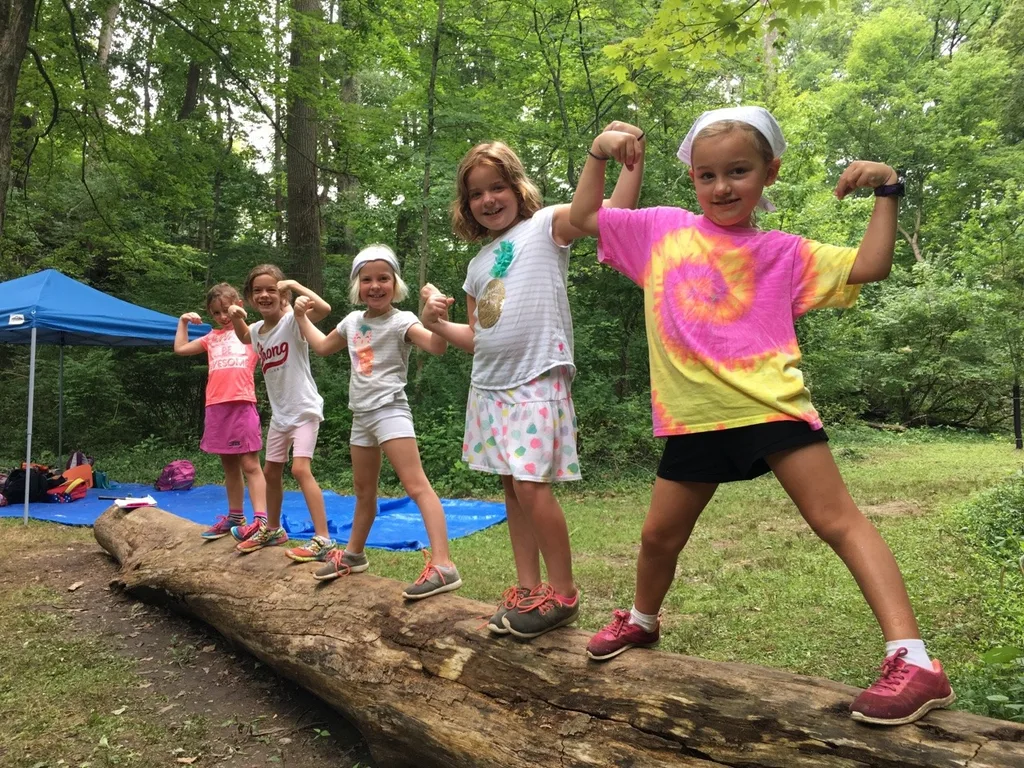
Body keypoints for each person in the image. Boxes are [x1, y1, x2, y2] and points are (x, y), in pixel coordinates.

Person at [568, 106, 954, 725]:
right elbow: (586, 218)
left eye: (739, 171)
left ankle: (916, 661)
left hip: (771, 405)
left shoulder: (783, 251)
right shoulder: (660, 231)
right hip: (693, 418)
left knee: (840, 522)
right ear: (692, 180)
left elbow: (870, 265)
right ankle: (641, 621)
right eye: (706, 175)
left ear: (768, 172)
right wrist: (599, 152)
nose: (721, 187)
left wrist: (888, 188)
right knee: (657, 537)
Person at [420, 134, 644, 638]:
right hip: (490, 386)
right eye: (477, 194)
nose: (488, 200)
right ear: (466, 205)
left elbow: (611, 214)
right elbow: (477, 337)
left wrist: (613, 157)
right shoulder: (477, 265)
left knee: (531, 487)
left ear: (517, 188)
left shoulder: (546, 227)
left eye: (496, 187)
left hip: (536, 375)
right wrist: (434, 323)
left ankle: (563, 593)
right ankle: (528, 588)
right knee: (512, 491)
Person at [293, 244, 462, 599]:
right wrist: (301, 318)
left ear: (395, 282)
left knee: (416, 486)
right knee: (363, 491)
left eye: (383, 278)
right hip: (362, 415)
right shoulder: (352, 321)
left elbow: (436, 346)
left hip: (390, 409)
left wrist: (437, 316)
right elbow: (323, 346)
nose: (375, 285)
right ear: (357, 285)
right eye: (367, 279)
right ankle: (353, 555)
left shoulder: (402, 320)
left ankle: (444, 565)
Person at [228, 264, 337, 565]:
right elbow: (243, 337)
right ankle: (273, 530)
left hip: (304, 409)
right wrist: (238, 318)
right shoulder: (256, 331)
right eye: (258, 291)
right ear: (250, 298)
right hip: (281, 416)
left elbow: (325, 309)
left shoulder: (292, 322)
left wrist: (296, 285)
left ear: (282, 294)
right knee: (270, 472)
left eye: (271, 289)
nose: (265, 295)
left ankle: (324, 539)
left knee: (300, 470)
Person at [174, 283, 267, 540]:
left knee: (250, 464)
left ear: (239, 304)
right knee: (229, 466)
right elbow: (180, 349)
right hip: (216, 405)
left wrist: (239, 316)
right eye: (216, 312)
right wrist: (183, 321)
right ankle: (236, 516)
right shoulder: (211, 338)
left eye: (227, 309)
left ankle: (261, 521)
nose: (223, 316)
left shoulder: (252, 333)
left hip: (242, 403)